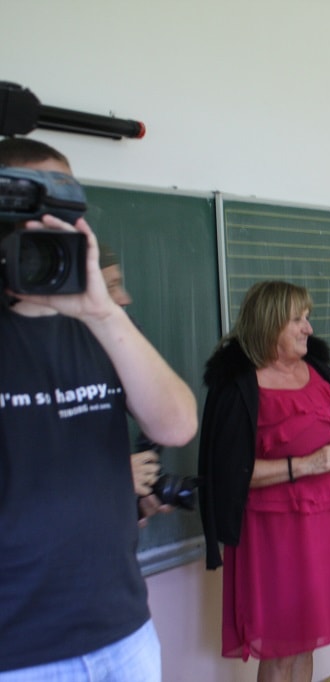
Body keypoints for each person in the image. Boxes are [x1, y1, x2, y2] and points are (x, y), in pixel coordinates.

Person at [0, 137, 198, 678]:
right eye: (29, 206)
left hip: (120, 630)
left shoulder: (105, 325)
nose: (47, 226)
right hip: (16, 651)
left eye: (63, 207)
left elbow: (177, 424)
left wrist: (104, 314)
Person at [198, 280, 330, 682]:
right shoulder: (238, 385)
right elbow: (226, 474)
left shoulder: (320, 372)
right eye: (297, 320)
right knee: (279, 649)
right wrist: (308, 463)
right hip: (271, 533)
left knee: (307, 640)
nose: (309, 328)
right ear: (270, 324)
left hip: (323, 523)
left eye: (307, 318)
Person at [98, 242, 172, 525]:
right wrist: (114, 475)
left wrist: (144, 477)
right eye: (110, 287)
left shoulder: (123, 331)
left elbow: (164, 414)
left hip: (111, 525)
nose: (124, 298)